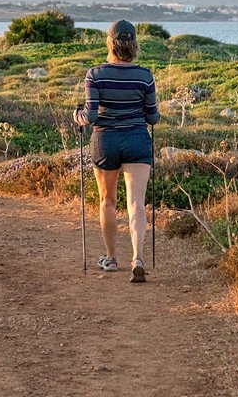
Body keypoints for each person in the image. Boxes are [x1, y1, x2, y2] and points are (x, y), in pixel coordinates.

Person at [74, 20, 160, 283]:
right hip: (136, 140)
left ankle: (110, 259)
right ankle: (138, 258)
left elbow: (88, 116)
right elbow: (153, 118)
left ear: (110, 43)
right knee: (136, 204)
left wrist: (76, 116)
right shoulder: (145, 76)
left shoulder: (95, 74)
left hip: (105, 141)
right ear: (134, 44)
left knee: (108, 201)